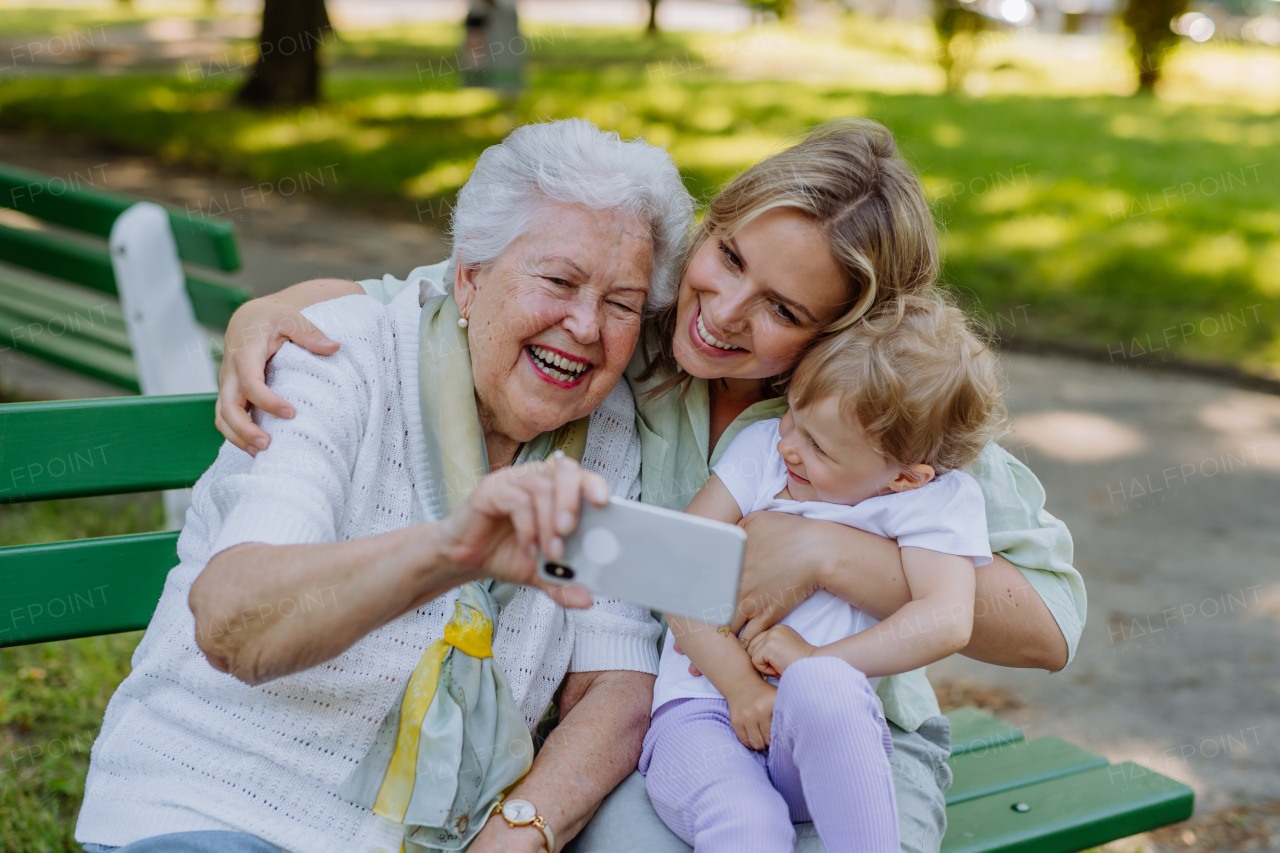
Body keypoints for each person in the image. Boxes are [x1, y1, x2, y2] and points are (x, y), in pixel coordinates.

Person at [213, 118, 1086, 853]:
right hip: (687, 717)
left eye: (783, 310)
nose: (726, 309)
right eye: (729, 255)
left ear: (839, 334)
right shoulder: (633, 332)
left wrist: (832, 552)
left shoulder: (878, 410)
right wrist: (264, 312)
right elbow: (439, 293)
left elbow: (1046, 625)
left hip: (852, 728)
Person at [75, 119, 694, 853]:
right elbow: (235, 620)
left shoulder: (609, 428)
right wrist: (453, 549)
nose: (586, 326)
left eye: (621, 303)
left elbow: (614, 684)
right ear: (469, 276)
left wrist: (519, 831)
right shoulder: (338, 358)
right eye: (558, 281)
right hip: (221, 805)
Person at [644, 294, 1006, 853]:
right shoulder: (764, 452)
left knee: (828, 684)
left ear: (905, 479)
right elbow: (675, 566)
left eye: (818, 447)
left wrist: (815, 665)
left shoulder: (937, 503)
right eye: (792, 413)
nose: (789, 443)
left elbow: (946, 620)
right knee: (748, 822)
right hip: (704, 712)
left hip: (815, 740)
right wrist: (742, 688)